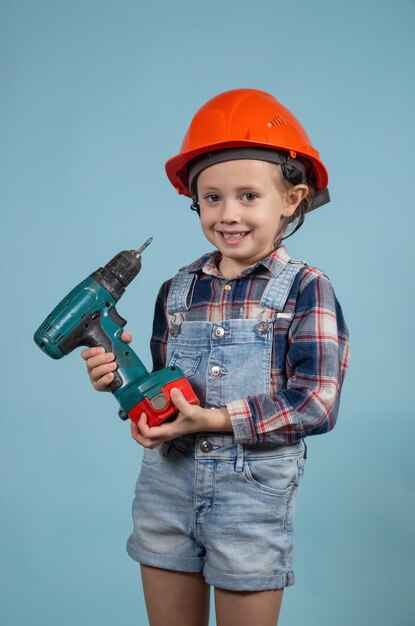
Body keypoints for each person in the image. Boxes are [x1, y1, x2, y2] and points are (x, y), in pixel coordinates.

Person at [81, 89, 349, 626]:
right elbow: (163, 391)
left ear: (291, 199)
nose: (228, 214)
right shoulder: (175, 289)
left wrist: (219, 420)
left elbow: (317, 403)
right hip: (165, 489)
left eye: (249, 196)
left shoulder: (306, 289)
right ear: (196, 200)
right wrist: (125, 390)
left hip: (251, 497)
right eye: (212, 198)